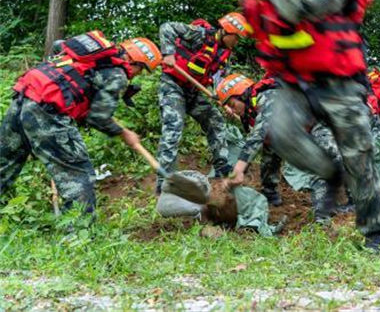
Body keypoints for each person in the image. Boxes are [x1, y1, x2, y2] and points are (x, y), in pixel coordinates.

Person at [229, 0, 380, 250]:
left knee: (359, 154)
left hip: (340, 81)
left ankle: (375, 234)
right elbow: (260, 6)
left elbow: (296, 8)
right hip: (295, 80)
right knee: (281, 134)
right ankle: (330, 175)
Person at [0, 32, 161, 214]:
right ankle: (79, 228)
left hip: (22, 99)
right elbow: (98, 118)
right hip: (47, 112)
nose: (138, 74)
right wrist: (124, 133)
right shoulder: (117, 75)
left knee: (3, 164)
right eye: (142, 69)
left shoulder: (90, 57)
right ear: (133, 61)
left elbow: (58, 45)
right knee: (79, 177)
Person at [157, 13, 251, 192]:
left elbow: (219, 82)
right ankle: (163, 182)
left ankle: (221, 166)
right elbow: (167, 27)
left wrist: (226, 102)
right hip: (173, 86)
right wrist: (168, 53)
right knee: (173, 128)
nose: (237, 42)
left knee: (215, 120)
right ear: (226, 31)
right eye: (236, 37)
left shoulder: (224, 56)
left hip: (193, 92)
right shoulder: (199, 34)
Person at [214, 73, 283, 206]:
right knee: (270, 143)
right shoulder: (249, 109)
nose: (232, 111)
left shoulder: (268, 97)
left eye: (232, 105)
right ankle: (269, 191)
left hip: (311, 131)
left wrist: (238, 170)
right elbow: (251, 144)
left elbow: (257, 136)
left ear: (242, 95)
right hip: (288, 134)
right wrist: (238, 173)